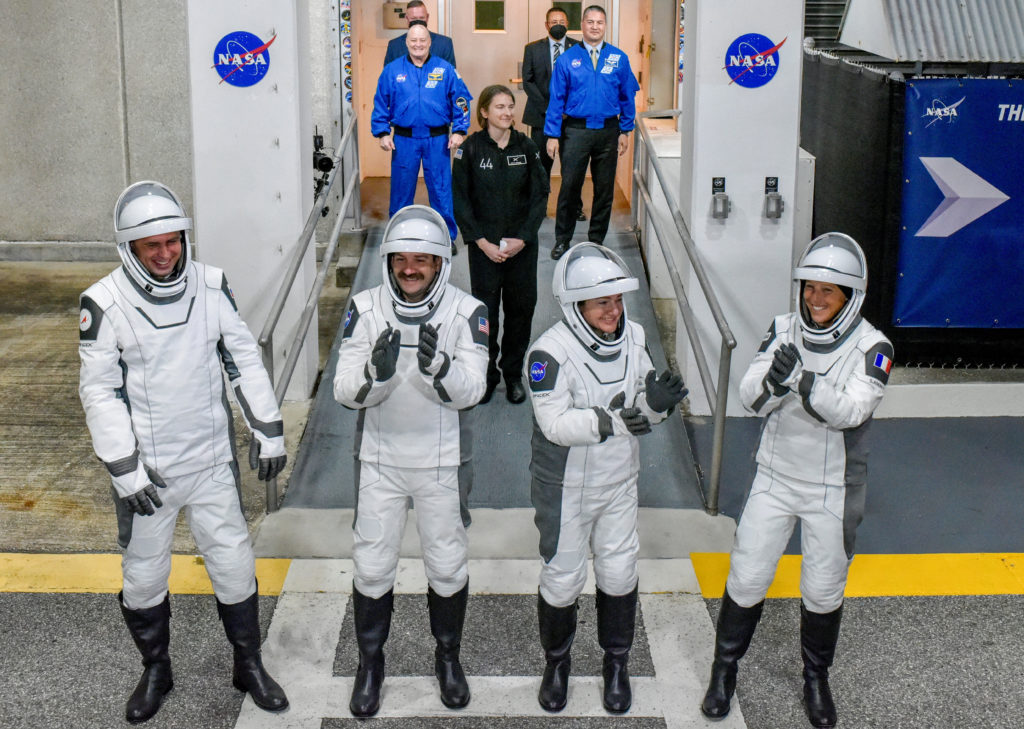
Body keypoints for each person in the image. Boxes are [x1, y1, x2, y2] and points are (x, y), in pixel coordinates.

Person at [78, 181, 289, 724]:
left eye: (173, 241)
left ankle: (248, 663)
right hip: (147, 477)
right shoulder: (103, 302)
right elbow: (99, 391)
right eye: (153, 245)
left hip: (211, 462)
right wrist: (124, 469)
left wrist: (267, 430)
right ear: (129, 247)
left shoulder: (211, 285)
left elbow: (242, 358)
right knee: (143, 578)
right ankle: (156, 669)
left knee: (236, 567)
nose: (166, 253)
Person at [700, 233, 893, 729]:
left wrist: (804, 382)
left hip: (832, 489)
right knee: (746, 574)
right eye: (810, 287)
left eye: (829, 291)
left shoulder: (875, 347)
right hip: (775, 476)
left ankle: (815, 679)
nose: (816, 299)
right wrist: (772, 382)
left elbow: (850, 412)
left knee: (824, 589)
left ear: (851, 296)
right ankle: (724, 671)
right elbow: (749, 396)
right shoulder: (783, 328)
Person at [333, 205, 489, 717]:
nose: (410, 268)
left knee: (447, 567)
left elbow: (473, 390)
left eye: (423, 259)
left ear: (442, 262)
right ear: (390, 259)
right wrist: (375, 375)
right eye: (402, 258)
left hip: (442, 463)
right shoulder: (365, 306)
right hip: (380, 460)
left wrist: (439, 368)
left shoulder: (468, 312)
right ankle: (370, 664)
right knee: (372, 567)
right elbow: (343, 390)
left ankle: (448, 658)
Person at [525, 243, 687, 714]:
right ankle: (557, 663)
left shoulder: (634, 335)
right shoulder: (548, 354)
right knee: (562, 579)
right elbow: (554, 425)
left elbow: (639, 402)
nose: (614, 311)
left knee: (619, 573)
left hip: (620, 479)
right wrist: (616, 420)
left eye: (618, 300)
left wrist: (656, 405)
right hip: (566, 488)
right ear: (576, 307)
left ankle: (616, 663)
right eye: (603, 303)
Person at [452, 84, 548, 405]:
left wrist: (523, 238)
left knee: (521, 312)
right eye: (500, 107)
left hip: (522, 248)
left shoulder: (528, 147)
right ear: (484, 112)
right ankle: (488, 374)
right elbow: (461, 202)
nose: (507, 113)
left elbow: (539, 196)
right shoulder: (470, 150)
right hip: (485, 250)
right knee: (486, 314)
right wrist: (481, 242)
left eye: (510, 107)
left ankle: (512, 374)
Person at [544, 5, 640, 260]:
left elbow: (627, 95)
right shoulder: (567, 59)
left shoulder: (618, 58)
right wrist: (552, 134)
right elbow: (556, 99)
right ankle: (562, 240)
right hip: (575, 131)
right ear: (583, 25)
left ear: (605, 26)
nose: (595, 26)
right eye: (590, 22)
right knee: (570, 187)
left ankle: (596, 239)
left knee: (604, 189)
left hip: (608, 131)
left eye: (600, 22)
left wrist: (625, 129)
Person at [372, 23, 471, 249]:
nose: (418, 45)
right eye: (413, 41)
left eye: (422, 40)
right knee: (401, 190)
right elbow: (381, 103)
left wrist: (459, 130)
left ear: (430, 43)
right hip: (404, 140)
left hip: (437, 140)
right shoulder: (392, 70)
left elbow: (462, 101)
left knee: (441, 189)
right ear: (406, 43)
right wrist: (382, 132)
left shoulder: (445, 69)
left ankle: (446, 237)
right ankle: (397, 234)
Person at [522, 6, 584, 222]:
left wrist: (567, 107)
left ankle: (575, 207)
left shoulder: (578, 48)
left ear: (568, 25)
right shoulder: (532, 48)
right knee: (540, 166)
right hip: (541, 116)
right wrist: (550, 108)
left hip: (572, 118)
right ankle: (538, 209)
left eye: (562, 21)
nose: (558, 24)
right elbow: (528, 81)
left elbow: (583, 82)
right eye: (553, 21)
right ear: (546, 24)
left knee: (572, 166)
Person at [383, 0, 456, 68]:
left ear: (427, 18)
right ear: (407, 19)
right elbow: (387, 78)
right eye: (414, 18)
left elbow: (451, 78)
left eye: (421, 18)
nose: (418, 22)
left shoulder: (444, 44)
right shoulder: (394, 46)